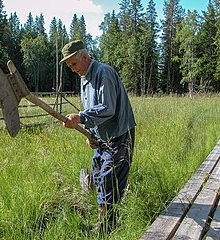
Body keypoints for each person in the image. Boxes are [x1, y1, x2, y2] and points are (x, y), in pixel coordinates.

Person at [60, 40, 136, 234]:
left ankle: (106, 228)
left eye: (74, 64)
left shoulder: (104, 73)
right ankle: (105, 218)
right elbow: (91, 109)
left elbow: (107, 108)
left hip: (119, 135)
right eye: (69, 66)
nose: (73, 69)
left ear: (84, 57)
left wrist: (81, 118)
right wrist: (91, 135)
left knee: (109, 179)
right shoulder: (84, 78)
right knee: (98, 176)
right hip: (102, 137)